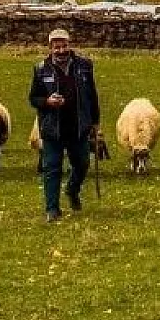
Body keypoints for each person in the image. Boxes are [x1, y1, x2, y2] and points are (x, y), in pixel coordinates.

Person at [28, 27, 101, 222]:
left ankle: (72, 189)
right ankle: (52, 209)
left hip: (78, 127)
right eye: (56, 47)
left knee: (82, 164)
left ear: (70, 45)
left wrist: (95, 122)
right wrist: (47, 102)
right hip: (53, 128)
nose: (61, 50)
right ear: (50, 48)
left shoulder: (84, 66)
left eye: (64, 46)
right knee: (52, 168)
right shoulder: (41, 69)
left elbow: (92, 95)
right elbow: (33, 98)